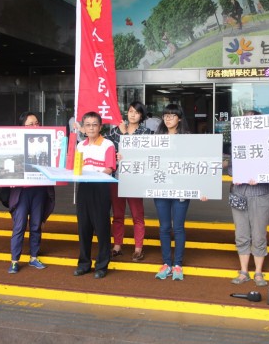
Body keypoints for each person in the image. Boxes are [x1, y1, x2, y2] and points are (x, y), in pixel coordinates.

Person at [226, 110, 269, 287]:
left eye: (251, 121)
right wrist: (236, 174)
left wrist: (261, 177)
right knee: (241, 234)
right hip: (239, 194)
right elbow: (231, 167)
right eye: (244, 121)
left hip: (261, 195)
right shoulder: (237, 143)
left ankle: (258, 272)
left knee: (259, 234)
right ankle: (244, 271)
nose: (247, 124)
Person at [7, 112, 55, 274]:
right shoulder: (13, 144)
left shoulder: (47, 143)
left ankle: (33, 257)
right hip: (21, 193)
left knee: (36, 225)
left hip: (39, 190)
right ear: (22, 127)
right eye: (31, 124)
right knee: (19, 226)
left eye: (37, 123)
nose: (36, 127)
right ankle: (15, 261)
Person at [153, 104, 196, 281]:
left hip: (181, 188)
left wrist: (202, 187)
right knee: (164, 227)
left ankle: (177, 264)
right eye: (166, 115)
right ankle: (166, 263)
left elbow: (196, 162)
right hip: (161, 187)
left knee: (178, 227)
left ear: (179, 118)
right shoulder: (156, 138)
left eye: (172, 115)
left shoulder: (187, 138)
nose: (168, 118)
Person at [73, 111, 116, 279]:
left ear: (100, 127)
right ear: (83, 128)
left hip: (101, 188)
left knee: (102, 228)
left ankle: (102, 265)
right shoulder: (80, 146)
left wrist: (93, 174)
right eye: (88, 125)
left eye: (94, 124)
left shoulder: (108, 145)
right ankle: (84, 264)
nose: (91, 128)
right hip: (84, 188)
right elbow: (77, 167)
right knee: (83, 228)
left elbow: (109, 168)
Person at [106, 101, 151, 262]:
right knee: (117, 214)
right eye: (130, 111)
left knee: (137, 214)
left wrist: (125, 135)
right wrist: (81, 130)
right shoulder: (114, 132)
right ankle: (117, 246)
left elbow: (146, 155)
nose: (132, 114)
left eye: (136, 112)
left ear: (141, 115)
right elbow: (102, 146)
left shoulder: (146, 133)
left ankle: (138, 248)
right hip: (116, 177)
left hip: (135, 179)